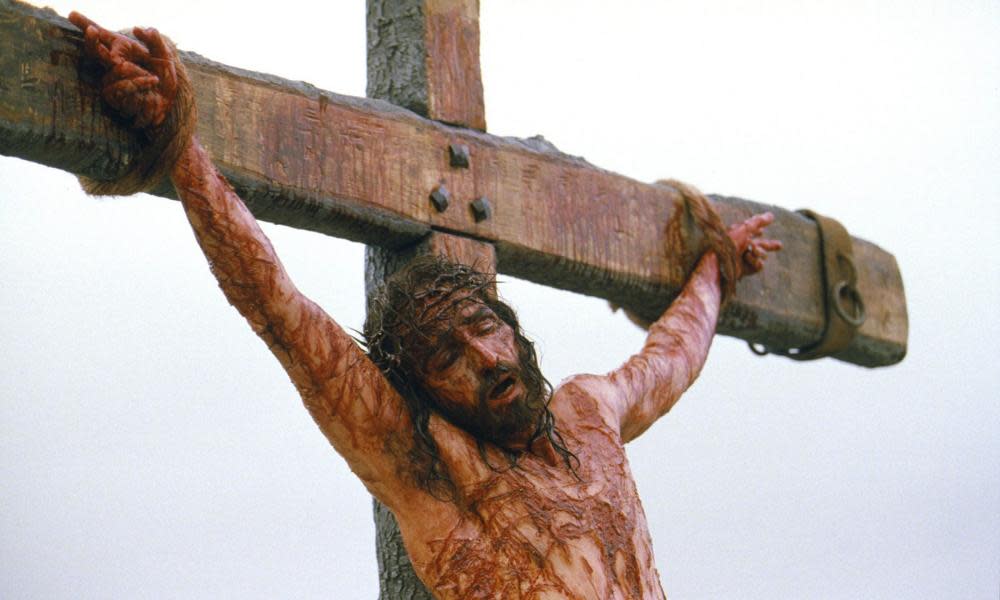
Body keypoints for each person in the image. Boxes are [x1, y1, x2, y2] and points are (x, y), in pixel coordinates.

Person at [68, 13, 782, 599]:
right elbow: (278, 309)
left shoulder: (591, 412)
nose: (483, 357)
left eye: (483, 330)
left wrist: (717, 268)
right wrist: (178, 142)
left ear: (514, 332)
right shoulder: (430, 469)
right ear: (425, 391)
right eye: (447, 357)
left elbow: (672, 356)